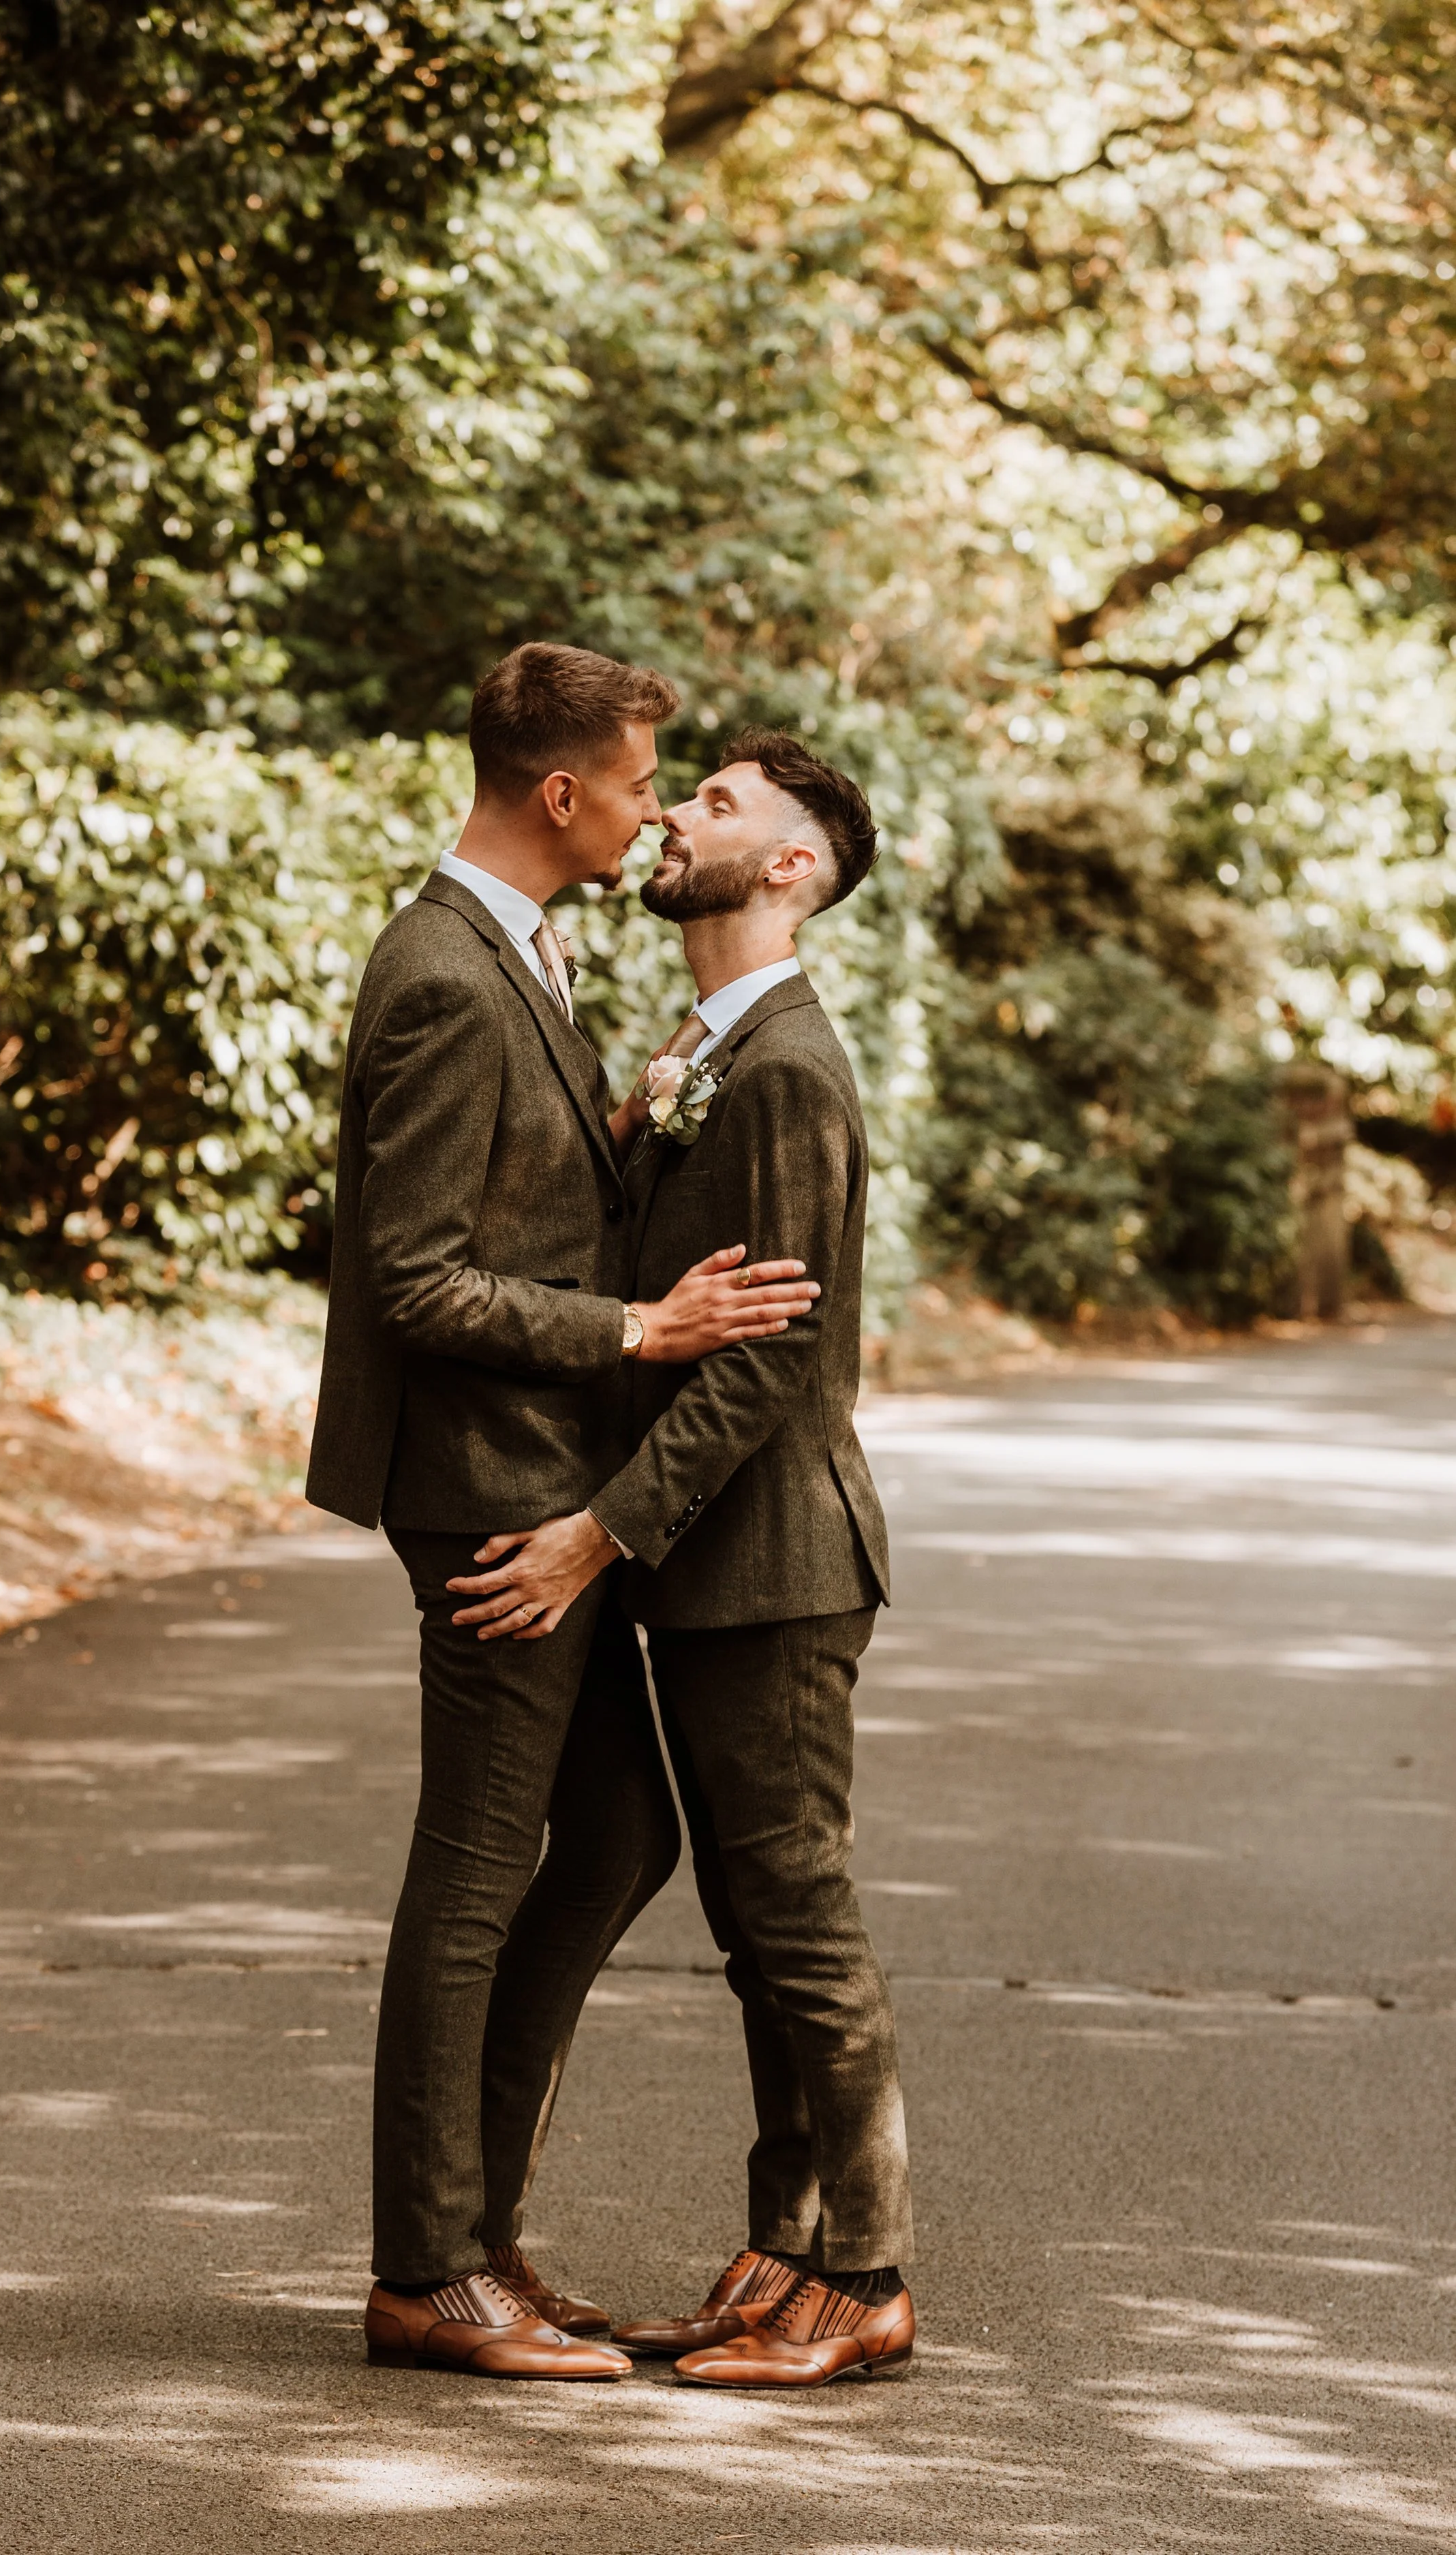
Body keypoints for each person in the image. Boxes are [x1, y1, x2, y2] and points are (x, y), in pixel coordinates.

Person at [306, 649, 821, 2382]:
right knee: (473, 1869)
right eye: (639, 784)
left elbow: (512, 1200)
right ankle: (425, 2272)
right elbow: (414, 1280)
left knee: (612, 1838)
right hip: (485, 1495)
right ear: (558, 794)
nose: (651, 811)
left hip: (547, 1478)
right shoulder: (444, 972)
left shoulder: (518, 949)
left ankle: (479, 2227)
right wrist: (638, 1332)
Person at [449, 726, 914, 2388]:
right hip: (714, 1568)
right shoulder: (701, 1046)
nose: (671, 816)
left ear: (786, 867)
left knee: (797, 1922)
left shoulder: (780, 1067)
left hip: (773, 1566)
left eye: (714, 804)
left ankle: (861, 2275)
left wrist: (593, 1536)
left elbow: (766, 1362)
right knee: (752, 1924)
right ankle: (783, 2247)